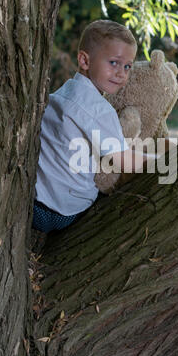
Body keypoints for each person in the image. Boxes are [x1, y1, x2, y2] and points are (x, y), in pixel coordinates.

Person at [33, 19, 141, 234]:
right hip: (64, 211)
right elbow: (126, 163)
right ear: (84, 60)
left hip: (36, 201)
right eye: (114, 63)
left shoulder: (61, 95)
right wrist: (167, 157)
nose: (121, 73)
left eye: (127, 66)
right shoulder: (99, 110)